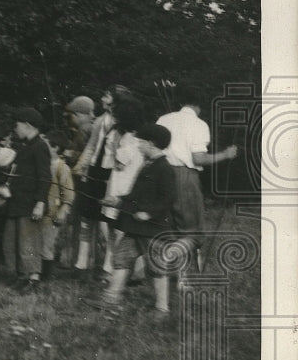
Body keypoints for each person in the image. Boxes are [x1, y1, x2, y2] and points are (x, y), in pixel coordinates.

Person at [95, 123, 177, 315]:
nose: (138, 146)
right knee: (122, 258)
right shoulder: (146, 166)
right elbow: (135, 195)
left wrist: (149, 213)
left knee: (157, 268)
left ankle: (162, 307)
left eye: (141, 143)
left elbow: (169, 199)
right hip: (134, 227)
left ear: (151, 144)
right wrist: (117, 201)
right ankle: (111, 298)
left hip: (153, 230)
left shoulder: (165, 168)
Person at [157, 86, 238, 270]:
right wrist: (225, 154)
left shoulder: (164, 118)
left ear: (180, 102)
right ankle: (171, 262)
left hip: (161, 172)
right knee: (193, 231)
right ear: (199, 106)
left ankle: (176, 273)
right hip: (183, 176)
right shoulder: (199, 124)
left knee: (169, 226)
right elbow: (198, 158)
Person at [71, 86, 129, 275]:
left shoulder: (124, 123)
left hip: (111, 173)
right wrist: (81, 166)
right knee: (87, 216)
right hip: (95, 171)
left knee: (109, 220)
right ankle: (81, 263)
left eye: (106, 95)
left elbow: (125, 149)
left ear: (115, 99)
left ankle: (109, 266)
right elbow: (91, 146)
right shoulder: (100, 121)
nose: (103, 98)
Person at [2, 107, 51, 293]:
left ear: (28, 125)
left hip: (30, 203)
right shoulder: (25, 146)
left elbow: (45, 177)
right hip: (17, 202)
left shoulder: (40, 146)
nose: (15, 129)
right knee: (13, 241)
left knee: (28, 242)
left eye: (17, 125)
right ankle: (21, 276)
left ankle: (33, 278)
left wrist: (40, 202)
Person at [100, 96, 146, 274]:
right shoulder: (141, 138)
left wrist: (113, 147)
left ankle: (113, 268)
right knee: (127, 232)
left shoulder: (127, 139)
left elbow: (119, 163)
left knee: (117, 230)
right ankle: (135, 270)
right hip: (130, 185)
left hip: (121, 186)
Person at [40, 130, 74, 282]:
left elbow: (68, 193)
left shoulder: (62, 167)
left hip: (53, 212)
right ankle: (36, 272)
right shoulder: (43, 164)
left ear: (54, 147)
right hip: (41, 209)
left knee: (47, 244)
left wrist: (63, 209)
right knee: (39, 241)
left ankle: (45, 277)